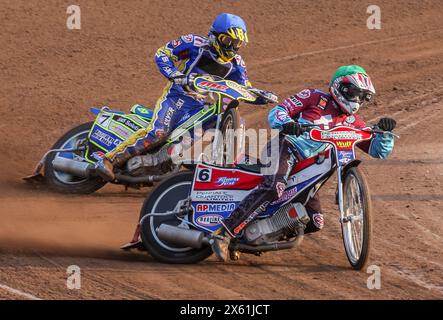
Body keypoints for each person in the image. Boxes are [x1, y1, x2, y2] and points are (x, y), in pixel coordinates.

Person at [212, 65, 397, 261]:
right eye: (354, 93)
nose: (357, 100)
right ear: (340, 88)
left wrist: (385, 134)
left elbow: (378, 150)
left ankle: (252, 240)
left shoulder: (353, 122)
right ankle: (224, 232)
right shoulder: (314, 97)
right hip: (285, 147)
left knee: (315, 221)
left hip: (311, 170)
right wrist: (288, 124)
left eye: (362, 96)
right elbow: (278, 112)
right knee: (274, 187)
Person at [95, 13, 276, 181]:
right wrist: (175, 75)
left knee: (208, 127)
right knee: (159, 133)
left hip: (199, 105)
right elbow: (163, 53)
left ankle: (210, 167)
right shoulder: (195, 44)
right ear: (215, 36)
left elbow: (243, 89)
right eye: (227, 40)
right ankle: (108, 160)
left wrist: (262, 96)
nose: (231, 47)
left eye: (236, 43)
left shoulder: (237, 65)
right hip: (177, 96)